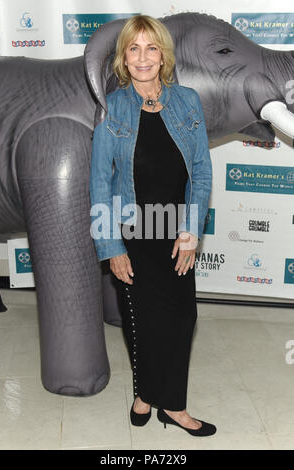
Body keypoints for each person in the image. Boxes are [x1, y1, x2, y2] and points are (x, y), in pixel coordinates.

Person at [90, 14, 216, 437]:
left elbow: (200, 172)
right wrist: (110, 247)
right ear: (124, 58)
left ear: (163, 55)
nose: (143, 57)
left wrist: (191, 231)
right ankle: (145, 394)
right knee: (141, 321)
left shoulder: (188, 101)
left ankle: (173, 407)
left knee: (182, 317)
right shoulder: (113, 107)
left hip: (175, 230)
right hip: (131, 232)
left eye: (151, 48)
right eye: (133, 48)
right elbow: (99, 182)